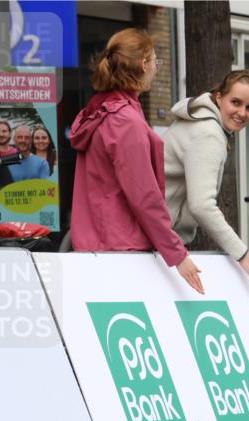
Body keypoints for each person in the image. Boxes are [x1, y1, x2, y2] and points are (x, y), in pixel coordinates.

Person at [69, 28, 203, 295]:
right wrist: (177, 254)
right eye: (155, 61)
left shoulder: (98, 113)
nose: (156, 68)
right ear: (144, 64)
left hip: (95, 244)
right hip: (123, 250)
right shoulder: (125, 121)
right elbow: (144, 196)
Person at [164, 69, 249, 290]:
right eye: (236, 102)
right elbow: (202, 206)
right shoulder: (208, 134)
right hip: (159, 241)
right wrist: (242, 253)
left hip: (157, 238)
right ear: (219, 97)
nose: (242, 113)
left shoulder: (201, 121)